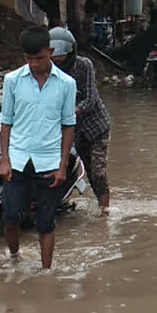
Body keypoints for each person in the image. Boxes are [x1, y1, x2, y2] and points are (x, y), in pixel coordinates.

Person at [0, 26, 77, 269]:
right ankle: (14, 258)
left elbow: (68, 125)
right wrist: (5, 160)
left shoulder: (66, 84)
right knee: (11, 218)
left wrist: (63, 166)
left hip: (50, 162)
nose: (34, 64)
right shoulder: (12, 81)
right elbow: (6, 121)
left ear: (50, 52)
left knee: (46, 222)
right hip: (18, 158)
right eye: (29, 59)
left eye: (40, 58)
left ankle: (46, 273)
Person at [49, 27, 112, 216]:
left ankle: (105, 212)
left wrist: (70, 113)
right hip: (71, 132)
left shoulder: (84, 65)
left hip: (95, 128)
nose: (58, 61)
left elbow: (91, 99)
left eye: (62, 57)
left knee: (97, 174)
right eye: (54, 58)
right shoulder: (48, 72)